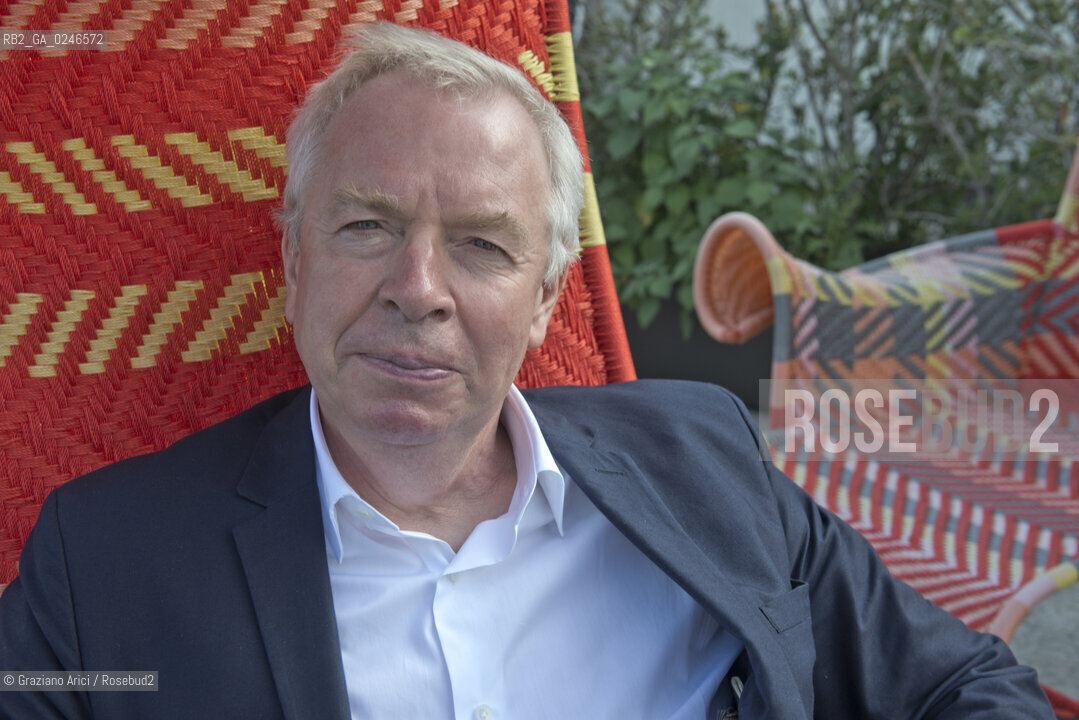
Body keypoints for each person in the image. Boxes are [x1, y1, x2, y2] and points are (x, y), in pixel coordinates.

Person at [0, 21, 1054, 720]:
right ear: (293, 257)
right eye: (367, 226)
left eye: (480, 245)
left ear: (546, 298)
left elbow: (960, 686)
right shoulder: (106, 567)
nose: (418, 288)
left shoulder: (701, 458)